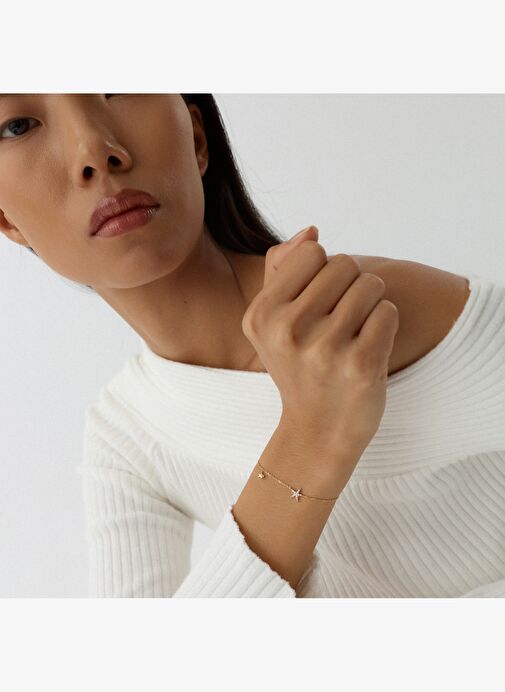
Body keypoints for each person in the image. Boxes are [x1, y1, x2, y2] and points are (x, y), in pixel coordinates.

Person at [1, 93, 504, 597]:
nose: (94, 150)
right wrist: (311, 439)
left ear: (198, 139)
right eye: (18, 125)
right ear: (7, 221)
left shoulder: (370, 317)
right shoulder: (126, 431)